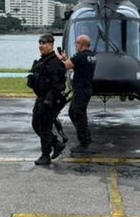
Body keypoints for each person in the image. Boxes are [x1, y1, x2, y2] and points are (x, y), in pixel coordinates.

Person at [27, 33, 67, 165]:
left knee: (44, 127)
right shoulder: (43, 60)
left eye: (44, 43)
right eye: (40, 43)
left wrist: (48, 101)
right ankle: (56, 144)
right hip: (41, 98)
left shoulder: (55, 63)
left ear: (51, 45)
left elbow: (58, 85)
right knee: (36, 125)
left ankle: (45, 155)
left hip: (49, 100)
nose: (41, 46)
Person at [58, 34, 96, 152]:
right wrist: (66, 58)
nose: (76, 46)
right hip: (86, 89)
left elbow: (65, 66)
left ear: (82, 44)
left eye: (77, 44)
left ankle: (84, 142)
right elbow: (77, 65)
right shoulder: (91, 56)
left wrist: (58, 59)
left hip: (81, 90)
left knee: (79, 115)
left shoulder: (80, 56)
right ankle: (86, 135)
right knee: (73, 112)